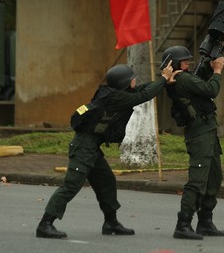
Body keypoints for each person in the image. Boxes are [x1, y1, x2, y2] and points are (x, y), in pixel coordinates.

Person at [36, 62, 177, 239]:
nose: (135, 81)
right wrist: (163, 78)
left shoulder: (116, 94)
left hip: (92, 148)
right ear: (125, 83)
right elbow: (144, 95)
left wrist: (164, 81)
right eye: (132, 79)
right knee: (71, 185)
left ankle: (111, 222)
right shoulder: (115, 98)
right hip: (83, 147)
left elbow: (142, 89)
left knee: (107, 181)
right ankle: (45, 223)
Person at [162, 46, 224, 240]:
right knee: (197, 181)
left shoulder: (185, 77)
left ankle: (205, 222)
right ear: (174, 63)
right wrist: (217, 70)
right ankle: (183, 224)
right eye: (184, 61)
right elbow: (211, 89)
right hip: (199, 135)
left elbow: (199, 82)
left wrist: (209, 66)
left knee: (214, 177)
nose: (188, 63)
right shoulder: (182, 79)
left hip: (207, 132)